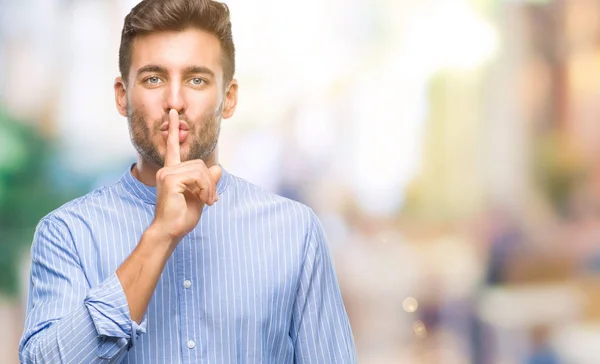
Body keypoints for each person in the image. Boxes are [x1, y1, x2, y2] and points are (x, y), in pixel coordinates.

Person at [18, 0, 357, 362]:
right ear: (122, 96)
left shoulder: (295, 232)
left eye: (197, 79)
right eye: (153, 78)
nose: (174, 101)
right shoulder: (66, 233)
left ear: (229, 99)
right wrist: (160, 236)